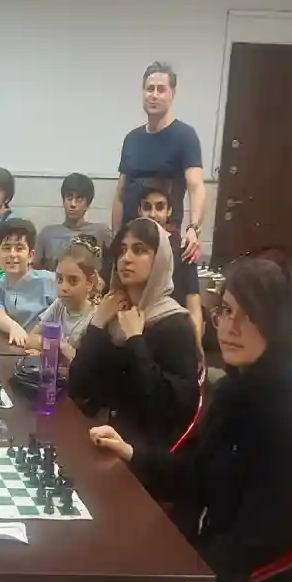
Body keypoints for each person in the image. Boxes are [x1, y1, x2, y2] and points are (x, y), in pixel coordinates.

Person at [40, 258, 292, 582]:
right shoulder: (238, 391)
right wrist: (132, 453)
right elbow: (195, 474)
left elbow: (251, 544)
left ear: (280, 324)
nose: (230, 327)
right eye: (226, 311)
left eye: (250, 316)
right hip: (213, 573)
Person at [67, 218, 199, 451]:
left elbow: (169, 410)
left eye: (139, 250)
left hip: (147, 455)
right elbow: (79, 387)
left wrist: (136, 340)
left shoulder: (176, 324)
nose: (126, 258)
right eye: (122, 250)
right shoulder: (113, 314)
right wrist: (97, 325)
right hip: (104, 437)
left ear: (159, 260)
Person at [113, 62, 207, 263]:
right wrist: (116, 238)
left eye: (161, 89)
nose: (154, 95)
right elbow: (120, 195)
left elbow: (196, 187)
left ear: (172, 94)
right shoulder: (132, 139)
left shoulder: (185, 136)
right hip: (130, 240)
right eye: (150, 89)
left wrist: (193, 229)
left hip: (164, 243)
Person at [133, 179, 203, 344]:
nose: (153, 214)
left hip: (174, 331)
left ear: (169, 210)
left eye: (159, 207)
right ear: (139, 210)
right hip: (135, 330)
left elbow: (194, 306)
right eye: (147, 207)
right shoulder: (129, 247)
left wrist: (196, 347)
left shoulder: (183, 248)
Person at [24, 236, 101, 364]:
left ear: (89, 283)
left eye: (73, 280)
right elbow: (31, 339)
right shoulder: (59, 305)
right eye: (60, 279)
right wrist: (58, 346)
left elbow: (85, 365)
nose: (63, 288)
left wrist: (54, 347)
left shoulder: (94, 318)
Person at [0, 220, 57, 346]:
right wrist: (13, 327)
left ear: (31, 255)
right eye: (7, 248)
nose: (12, 254)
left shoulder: (51, 281)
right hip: (13, 349)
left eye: (19, 248)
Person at [33, 173, 111, 271]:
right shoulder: (47, 234)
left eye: (79, 199)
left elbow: (112, 266)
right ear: (63, 201)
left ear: (87, 204)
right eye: (69, 198)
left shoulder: (101, 232)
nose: (73, 204)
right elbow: (35, 270)